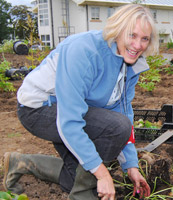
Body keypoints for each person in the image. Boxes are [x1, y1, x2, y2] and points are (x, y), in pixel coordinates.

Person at [3, 4, 158, 200]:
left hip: (73, 109)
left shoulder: (129, 64)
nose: (138, 45)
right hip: (38, 108)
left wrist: (131, 166)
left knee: (73, 178)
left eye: (144, 39)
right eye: (132, 35)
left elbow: (123, 112)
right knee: (114, 131)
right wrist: (102, 174)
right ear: (117, 31)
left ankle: (20, 163)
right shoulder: (84, 51)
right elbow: (70, 121)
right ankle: (83, 195)